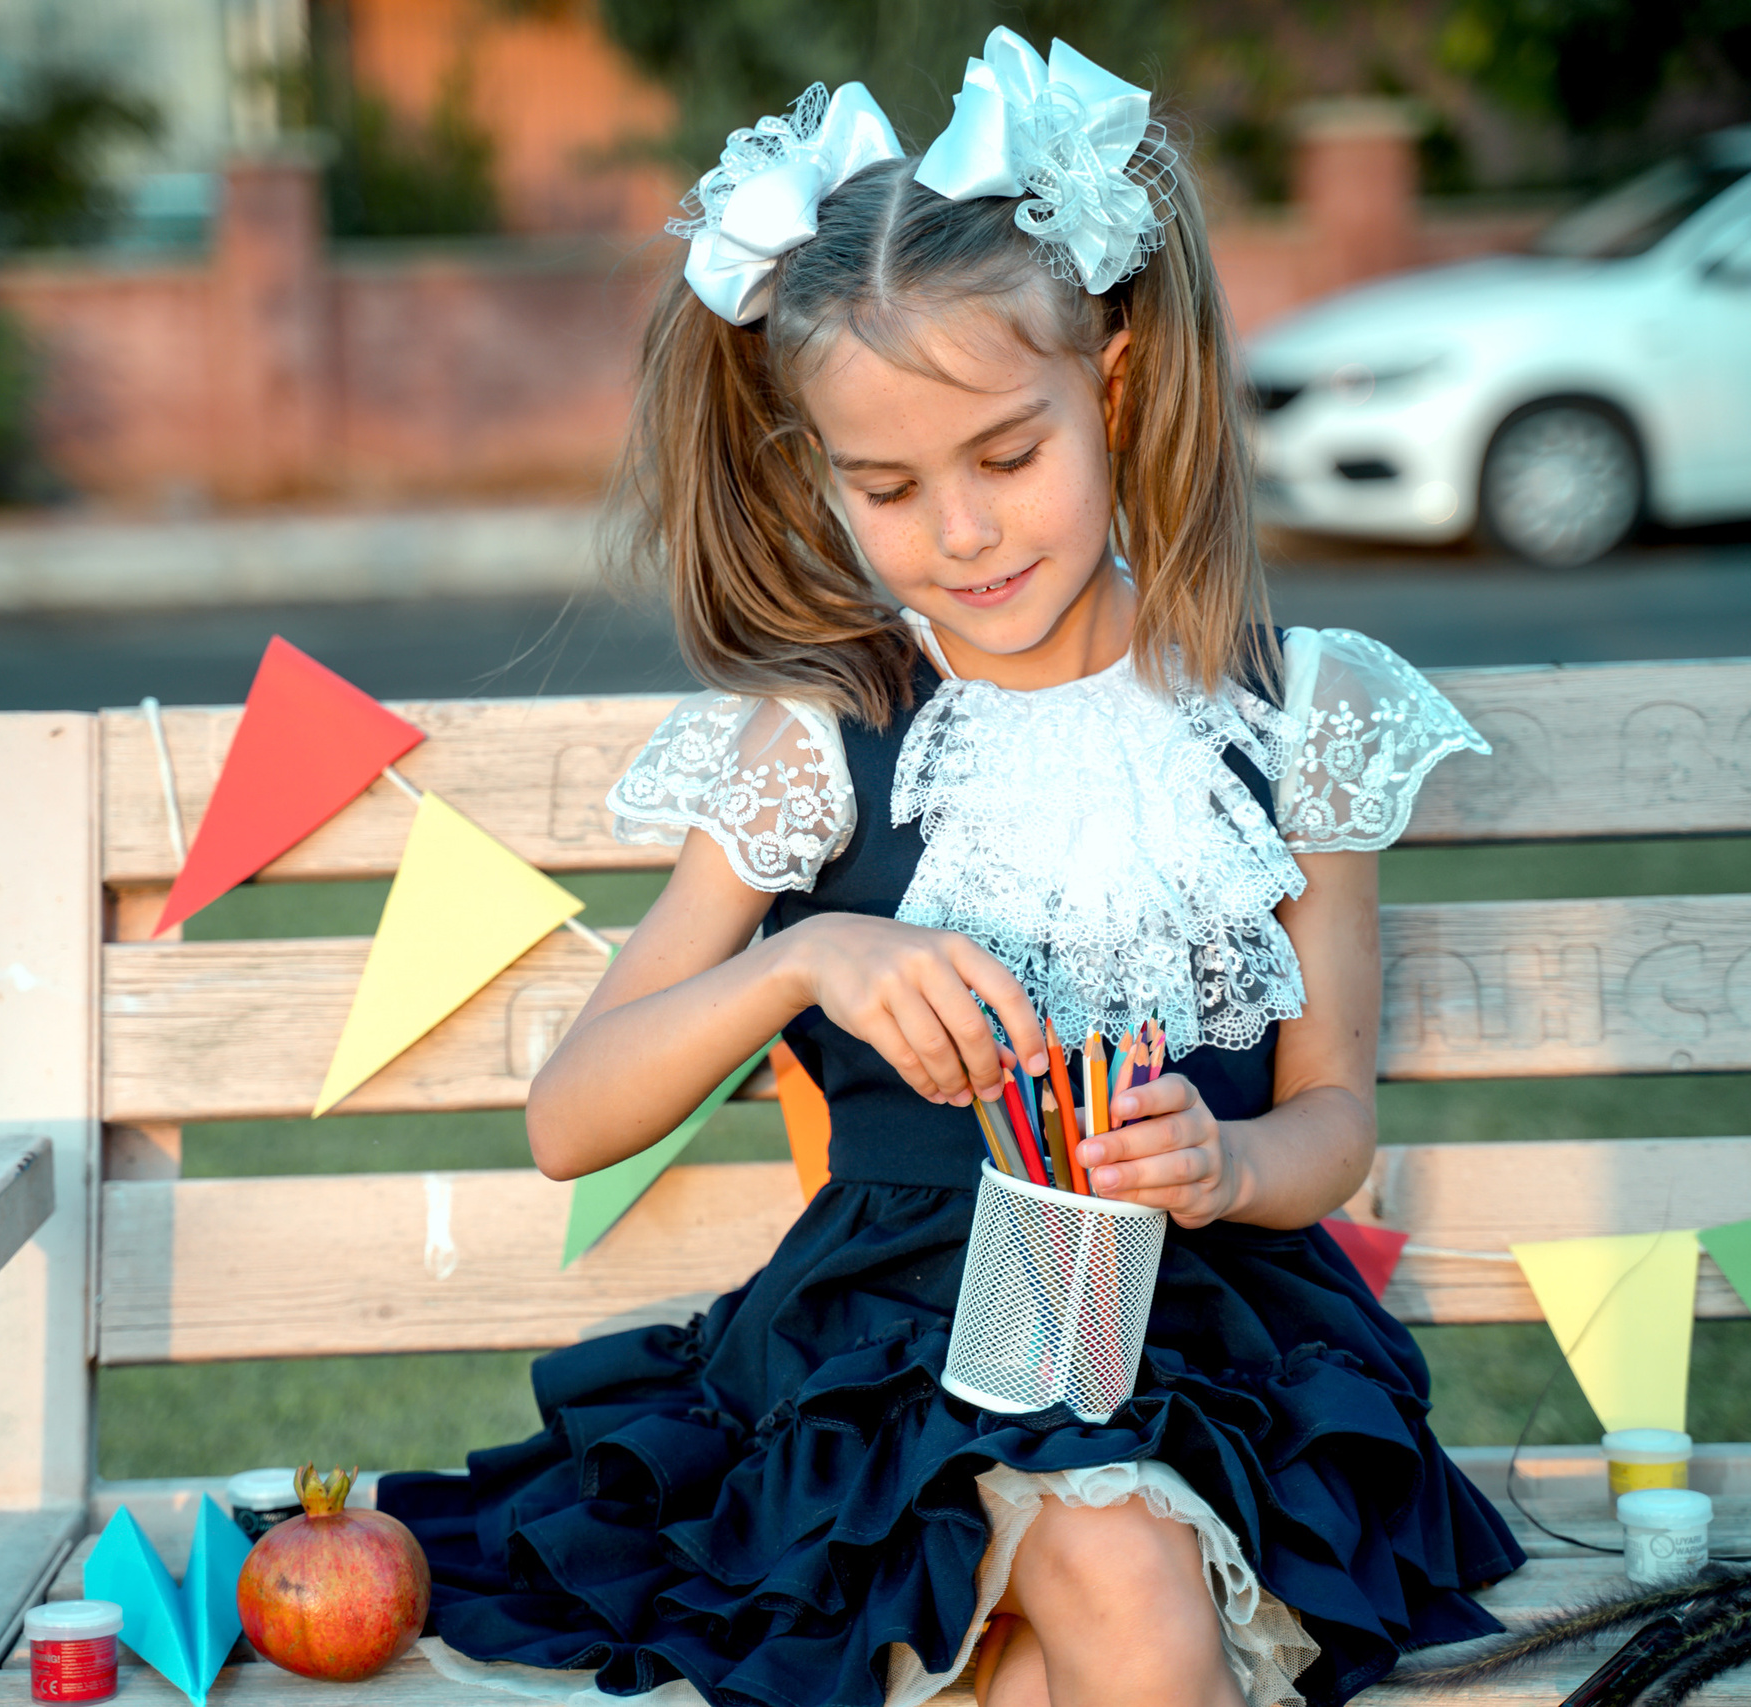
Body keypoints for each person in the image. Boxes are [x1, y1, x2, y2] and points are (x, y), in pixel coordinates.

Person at [378, 30, 1523, 1707]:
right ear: (815, 469)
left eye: (1007, 456)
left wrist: (1226, 1162)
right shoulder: (826, 737)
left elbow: (1335, 1116)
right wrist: (797, 961)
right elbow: (573, 1121)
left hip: (1205, 1348)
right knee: (1111, 1579)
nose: (964, 536)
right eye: (888, 487)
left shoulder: (1292, 716)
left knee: (1087, 1620)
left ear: (1113, 390)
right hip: (882, 1367)